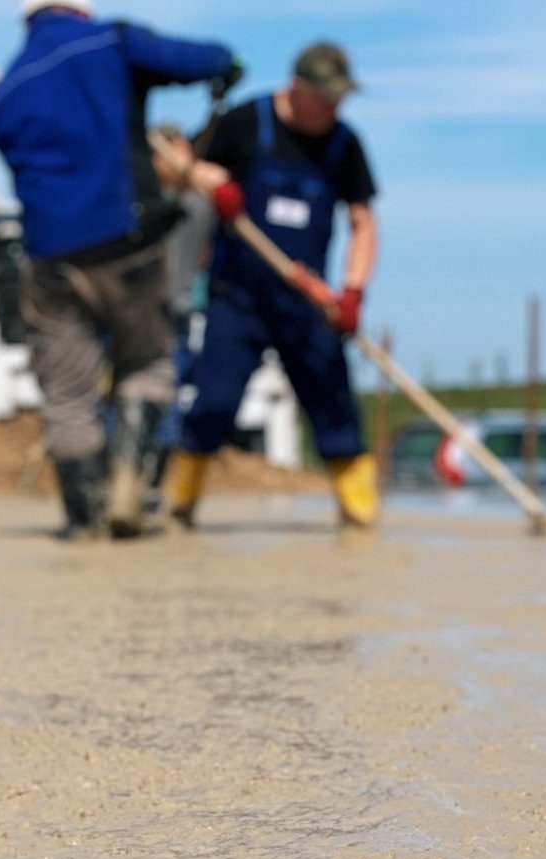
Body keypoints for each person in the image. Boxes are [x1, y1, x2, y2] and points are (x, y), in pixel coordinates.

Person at [0, 0, 240, 539]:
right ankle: (129, 487)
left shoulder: (5, 92)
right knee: (148, 366)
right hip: (126, 243)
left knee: (67, 397)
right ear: (81, 9)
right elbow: (197, 60)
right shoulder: (110, 43)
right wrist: (226, 62)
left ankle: (84, 519)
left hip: (50, 258)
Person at [157, 42, 381, 529]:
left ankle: (360, 509)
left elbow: (364, 223)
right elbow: (175, 167)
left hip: (307, 304)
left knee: (334, 405)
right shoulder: (246, 123)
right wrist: (216, 183)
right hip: (238, 298)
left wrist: (353, 293)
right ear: (297, 89)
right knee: (213, 400)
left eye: (340, 100)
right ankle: (180, 499)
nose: (335, 109)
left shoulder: (345, 145)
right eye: (327, 99)